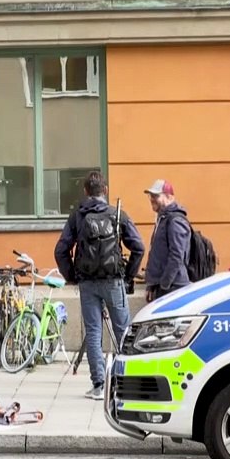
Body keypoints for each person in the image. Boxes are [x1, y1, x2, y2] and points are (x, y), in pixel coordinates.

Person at [55, 171, 145, 401]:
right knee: (123, 331)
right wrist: (128, 276)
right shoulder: (117, 214)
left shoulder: (78, 215)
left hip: (87, 283)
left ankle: (98, 385)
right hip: (114, 281)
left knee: (94, 333)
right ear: (104, 190)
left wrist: (72, 275)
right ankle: (126, 383)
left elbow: (61, 250)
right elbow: (139, 247)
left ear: (85, 191)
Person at [143, 179, 192, 302]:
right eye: (151, 196)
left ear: (169, 197)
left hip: (173, 287)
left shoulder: (175, 221)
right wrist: (152, 285)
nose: (152, 199)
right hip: (164, 286)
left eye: (156, 196)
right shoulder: (163, 219)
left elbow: (177, 255)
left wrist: (165, 284)